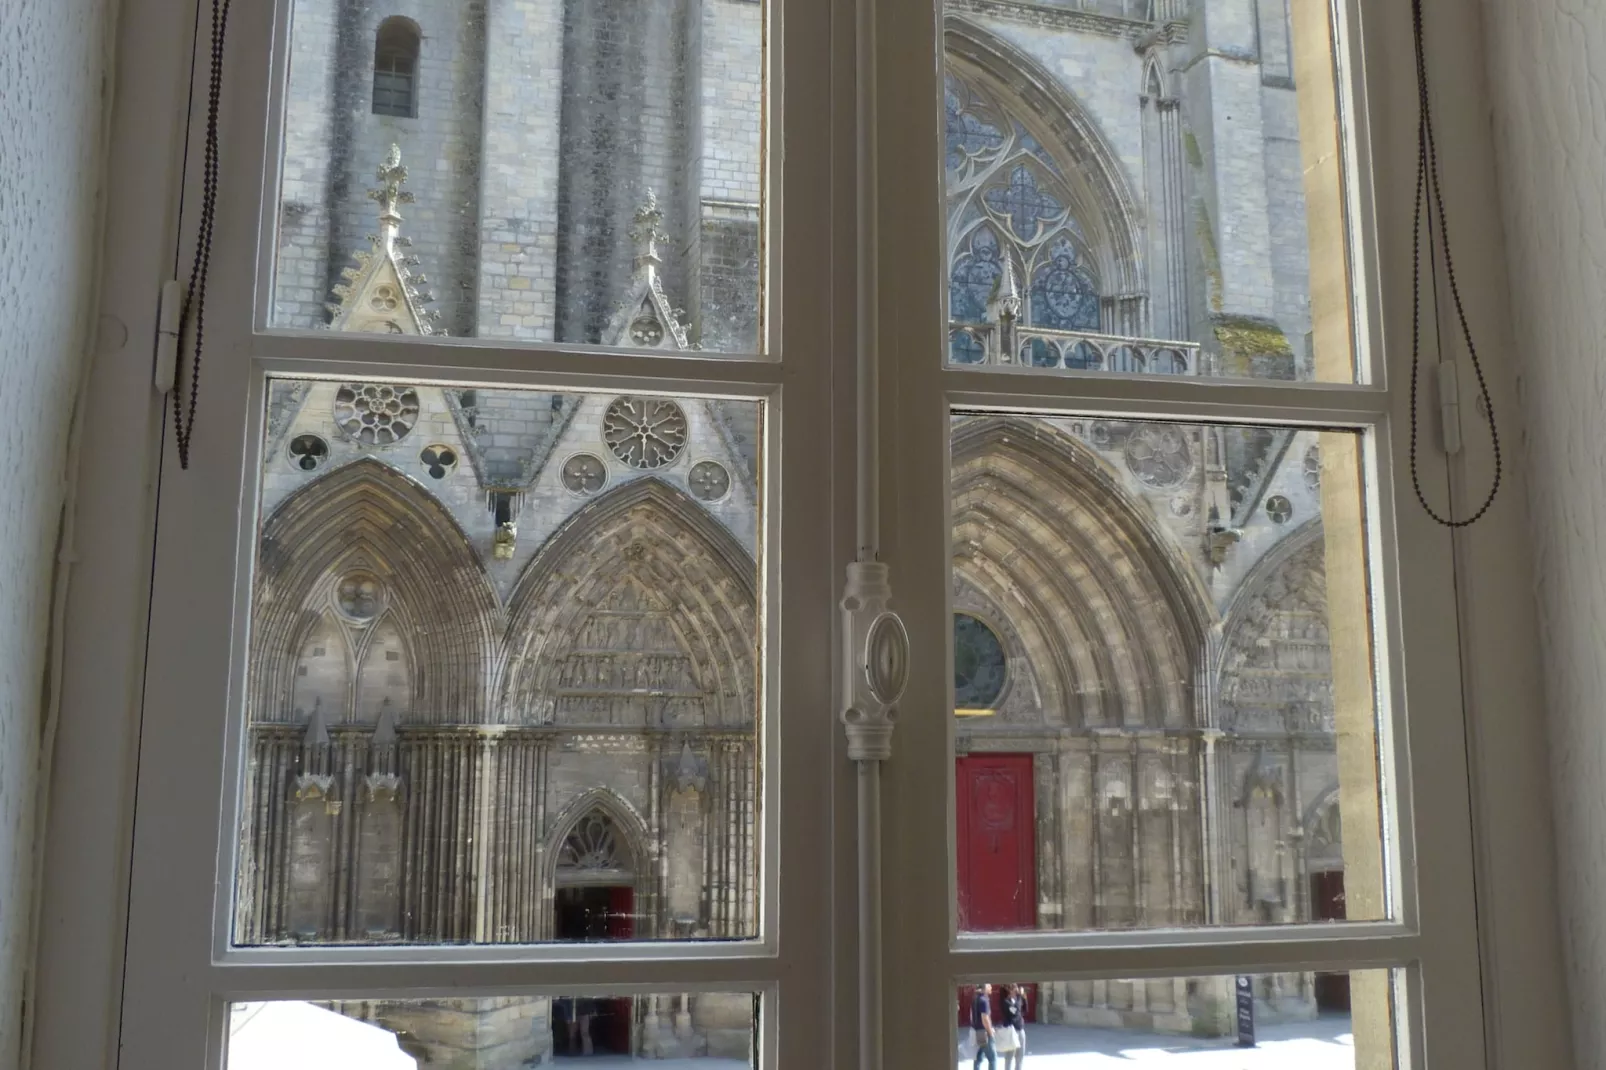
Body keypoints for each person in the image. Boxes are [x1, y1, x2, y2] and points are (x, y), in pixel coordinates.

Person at [999, 984, 1026, 1070]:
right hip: (1010, 1031)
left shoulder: (1018, 999)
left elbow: (1024, 1009)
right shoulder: (1005, 1002)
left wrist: (1024, 997)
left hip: (1020, 1029)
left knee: (1020, 1055)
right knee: (1009, 1056)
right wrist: (1019, 998)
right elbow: (1015, 1011)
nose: (1017, 989)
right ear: (1010, 990)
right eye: (1015, 988)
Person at [971, 983, 997, 1070]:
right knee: (992, 1058)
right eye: (989, 985)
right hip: (984, 1032)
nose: (991, 987)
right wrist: (990, 1033)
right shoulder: (984, 1000)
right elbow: (985, 1018)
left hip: (978, 1031)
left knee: (978, 1057)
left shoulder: (976, 999)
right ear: (985, 987)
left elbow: (971, 1016)